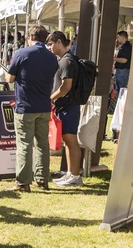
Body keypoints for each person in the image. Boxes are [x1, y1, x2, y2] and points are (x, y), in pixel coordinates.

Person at [5, 25, 58, 192]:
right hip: (43, 105)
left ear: (31, 36)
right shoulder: (52, 57)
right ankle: (42, 180)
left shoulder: (22, 53)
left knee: (24, 144)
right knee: (42, 144)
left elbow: (10, 78)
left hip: (25, 106)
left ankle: (23, 182)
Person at [47, 31, 82, 187]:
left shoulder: (66, 61)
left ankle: (75, 176)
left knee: (71, 140)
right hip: (66, 106)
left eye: (51, 44)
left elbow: (66, 86)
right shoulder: (65, 60)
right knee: (68, 141)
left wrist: (51, 98)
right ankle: (70, 173)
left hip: (69, 106)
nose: (49, 48)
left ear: (59, 42)